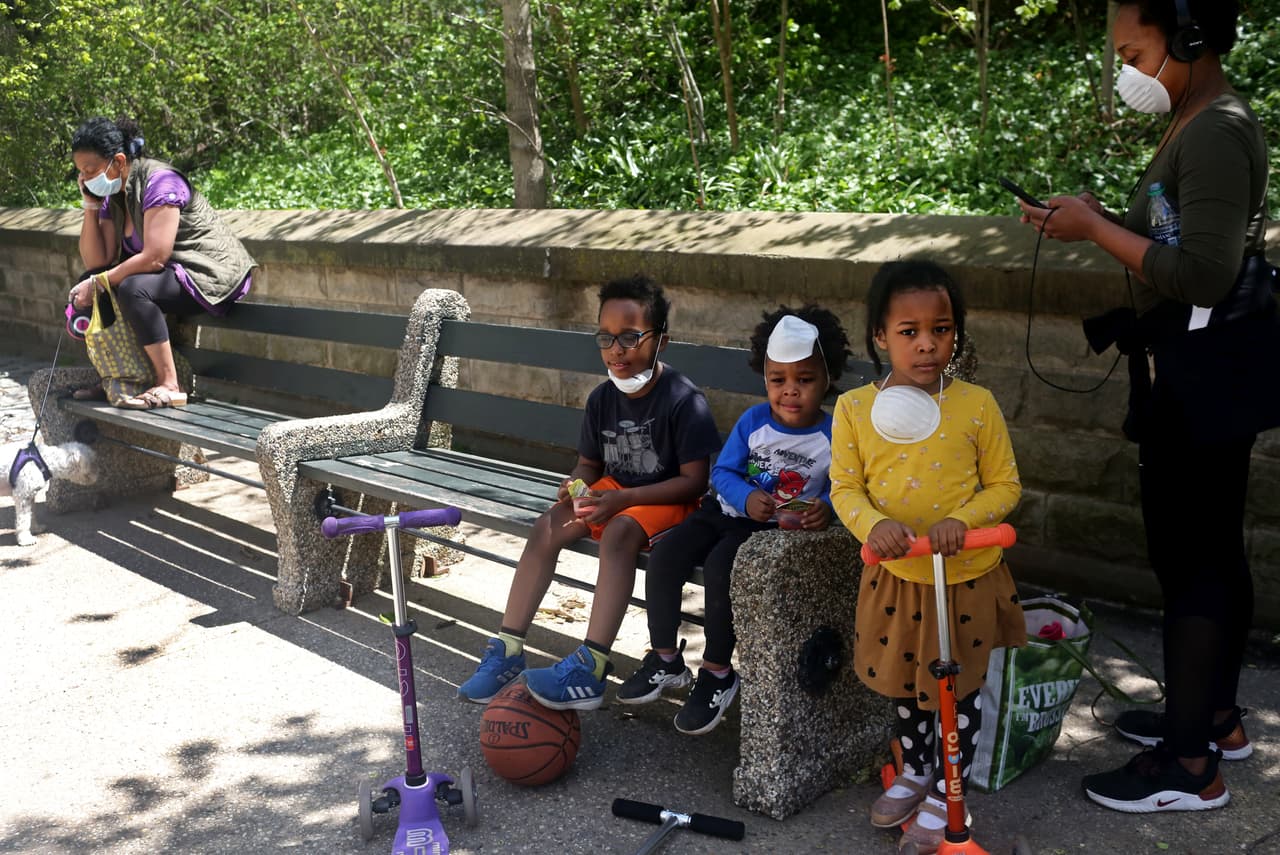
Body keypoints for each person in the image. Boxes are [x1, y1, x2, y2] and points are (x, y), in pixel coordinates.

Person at [1015, 0, 1275, 815]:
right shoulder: (1195, 119)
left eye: (1133, 52)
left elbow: (1203, 274)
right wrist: (1091, 218)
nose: (1126, 70)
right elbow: (1172, 237)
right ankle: (1213, 717)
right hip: (1197, 371)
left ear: (1187, 37)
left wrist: (1097, 232)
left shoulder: (1218, 129)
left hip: (1207, 376)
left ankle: (1189, 764)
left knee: (1193, 560)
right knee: (1206, 550)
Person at [456, 275, 722, 711]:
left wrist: (624, 501)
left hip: (669, 498)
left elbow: (695, 481)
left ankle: (591, 666)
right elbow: (589, 466)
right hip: (617, 492)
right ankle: (507, 649)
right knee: (549, 524)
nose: (617, 350)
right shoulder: (602, 398)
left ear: (661, 341)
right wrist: (574, 485)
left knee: (618, 533)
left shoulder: (683, 400)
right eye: (606, 338)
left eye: (631, 337)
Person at [829, 260, 1023, 853]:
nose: (927, 344)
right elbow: (845, 488)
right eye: (909, 331)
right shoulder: (855, 409)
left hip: (964, 577)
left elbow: (1005, 485)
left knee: (958, 687)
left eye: (941, 329)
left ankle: (946, 788)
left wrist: (964, 521)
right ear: (880, 336)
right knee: (905, 682)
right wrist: (875, 525)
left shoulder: (976, 404)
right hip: (898, 577)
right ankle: (915, 769)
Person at [615, 306, 852, 735]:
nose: (790, 391)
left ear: (827, 379)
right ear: (765, 379)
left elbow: (844, 487)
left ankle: (718, 673)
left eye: (804, 380)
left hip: (766, 531)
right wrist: (745, 495)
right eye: (777, 380)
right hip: (720, 512)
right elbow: (722, 473)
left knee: (723, 566)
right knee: (666, 554)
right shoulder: (753, 421)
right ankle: (665, 658)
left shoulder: (834, 435)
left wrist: (826, 508)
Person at [68, 117, 256, 409]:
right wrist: (90, 205)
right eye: (80, 172)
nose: (85, 178)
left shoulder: (161, 181)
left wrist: (100, 281)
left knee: (132, 289)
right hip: (168, 275)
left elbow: (156, 257)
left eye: (90, 170)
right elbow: (98, 261)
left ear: (119, 161)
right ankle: (119, 379)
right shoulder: (113, 194)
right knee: (92, 281)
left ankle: (170, 384)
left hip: (207, 273)